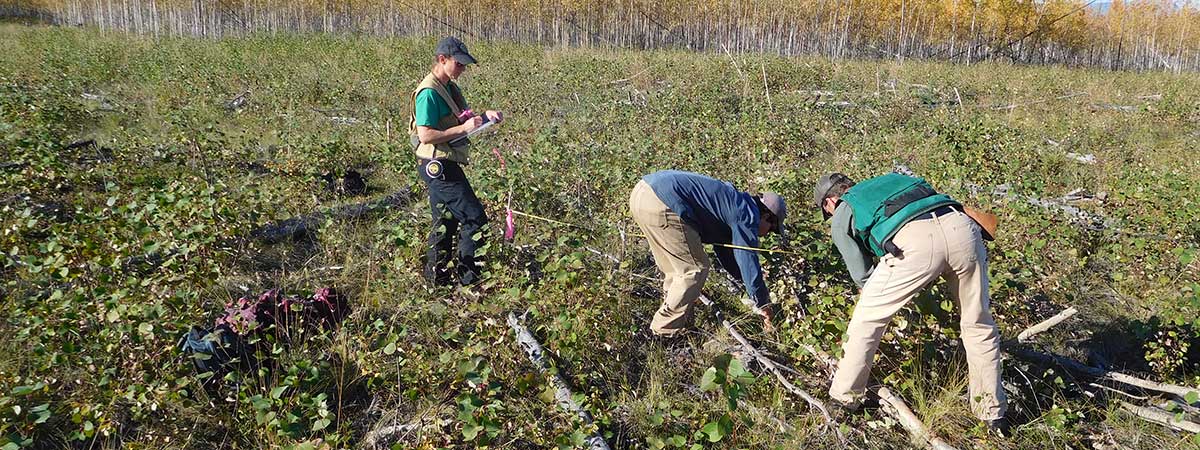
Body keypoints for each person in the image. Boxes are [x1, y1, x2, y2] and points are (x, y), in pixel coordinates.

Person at [813, 172, 1009, 435]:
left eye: (826, 210)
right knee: (978, 324)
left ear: (831, 200)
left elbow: (863, 276)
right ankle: (993, 416)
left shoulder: (844, 207)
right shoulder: (891, 179)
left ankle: (843, 399)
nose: (830, 215)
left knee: (867, 319)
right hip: (963, 229)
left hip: (914, 242)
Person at [629, 170, 786, 338]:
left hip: (643, 193)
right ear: (767, 216)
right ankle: (662, 334)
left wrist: (746, 283)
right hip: (665, 202)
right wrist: (763, 303)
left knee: (675, 272)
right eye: (771, 230)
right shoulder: (747, 213)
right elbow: (747, 258)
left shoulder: (734, 202)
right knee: (694, 270)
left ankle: (678, 325)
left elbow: (727, 254)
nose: (766, 234)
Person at [409, 36, 503, 289]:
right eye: (459, 64)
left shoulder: (449, 87)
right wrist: (463, 127)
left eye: (464, 65)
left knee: (445, 222)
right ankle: (470, 281)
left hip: (446, 161)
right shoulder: (428, 93)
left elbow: (462, 123)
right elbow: (426, 135)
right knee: (475, 219)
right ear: (442, 60)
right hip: (437, 165)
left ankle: (436, 283)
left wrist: (485, 117)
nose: (463, 69)